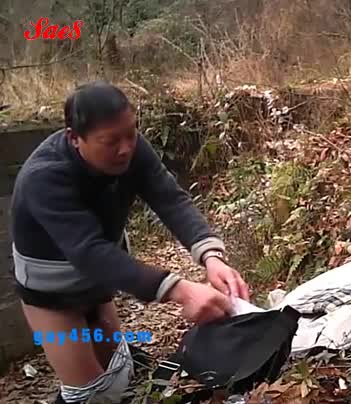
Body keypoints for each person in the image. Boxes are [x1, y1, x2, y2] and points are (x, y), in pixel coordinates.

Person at [9, 81, 250, 403]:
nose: (125, 149)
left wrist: (211, 256)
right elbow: (89, 251)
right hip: (51, 295)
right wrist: (179, 289)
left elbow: (169, 199)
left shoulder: (131, 148)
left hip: (100, 282)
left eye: (131, 134)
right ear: (74, 138)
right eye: (110, 141)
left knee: (117, 377)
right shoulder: (45, 177)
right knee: (91, 394)